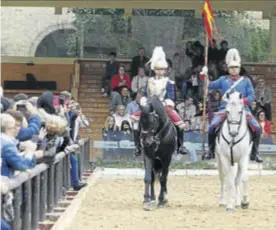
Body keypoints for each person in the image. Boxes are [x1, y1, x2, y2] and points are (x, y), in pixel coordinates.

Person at [201, 48, 263, 163]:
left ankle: (255, 153)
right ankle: (211, 151)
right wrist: (205, 76)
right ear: (228, 69)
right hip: (226, 109)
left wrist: (241, 102)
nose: (234, 70)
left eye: (236, 68)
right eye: (231, 68)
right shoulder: (223, 80)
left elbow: (251, 97)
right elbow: (209, 86)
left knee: (257, 128)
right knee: (212, 127)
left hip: (242, 109)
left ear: (239, 69)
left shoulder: (246, 81)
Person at [131, 46, 186, 156]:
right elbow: (146, 94)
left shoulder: (169, 82)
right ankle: (137, 146)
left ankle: (180, 146)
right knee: (136, 122)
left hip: (164, 106)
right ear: (154, 69)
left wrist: (165, 102)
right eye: (158, 69)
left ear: (165, 70)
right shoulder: (149, 81)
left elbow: (171, 96)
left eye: (162, 69)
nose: (160, 71)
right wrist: (143, 100)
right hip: (150, 105)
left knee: (180, 124)